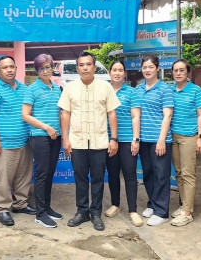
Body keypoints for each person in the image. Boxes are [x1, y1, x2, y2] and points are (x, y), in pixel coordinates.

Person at [58, 52, 120, 231]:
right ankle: (82, 211)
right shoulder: (70, 88)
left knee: (99, 179)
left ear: (94, 67)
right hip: (77, 141)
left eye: (88, 64)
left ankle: (95, 214)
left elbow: (111, 113)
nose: (85, 68)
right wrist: (65, 138)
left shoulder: (105, 87)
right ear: (77, 68)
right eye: (81, 65)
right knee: (80, 178)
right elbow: (65, 113)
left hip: (99, 142)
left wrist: (113, 138)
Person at [0, 55, 35, 227]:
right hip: (4, 144)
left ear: (16, 68)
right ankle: (3, 210)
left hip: (24, 141)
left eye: (12, 66)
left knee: (23, 176)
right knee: (3, 180)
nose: (9, 70)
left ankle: (20, 204)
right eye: (5, 67)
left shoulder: (24, 88)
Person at [22, 54, 63, 228]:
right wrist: (46, 127)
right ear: (36, 70)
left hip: (56, 136)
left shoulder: (57, 88)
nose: (45, 71)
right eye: (41, 68)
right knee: (42, 174)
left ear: (53, 67)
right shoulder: (32, 89)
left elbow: (61, 113)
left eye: (48, 67)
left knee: (50, 173)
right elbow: (25, 115)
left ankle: (46, 206)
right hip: (40, 136)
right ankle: (40, 214)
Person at [103, 61, 143, 227]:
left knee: (130, 174)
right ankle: (115, 204)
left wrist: (135, 139)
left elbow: (135, 116)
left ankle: (133, 210)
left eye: (120, 70)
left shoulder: (132, 92)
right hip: (108, 140)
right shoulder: (104, 91)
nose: (117, 73)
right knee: (112, 174)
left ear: (125, 74)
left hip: (127, 140)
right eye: (114, 70)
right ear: (110, 73)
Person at [136, 55, 174, 226]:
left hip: (160, 140)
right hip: (143, 140)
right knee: (148, 174)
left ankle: (161, 211)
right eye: (145, 67)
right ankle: (152, 203)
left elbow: (168, 115)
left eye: (151, 67)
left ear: (157, 68)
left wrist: (162, 140)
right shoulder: (138, 89)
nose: (147, 70)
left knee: (161, 175)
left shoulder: (165, 89)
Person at [169, 59, 201, 227]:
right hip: (173, 136)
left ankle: (187, 212)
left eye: (182, 70)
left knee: (188, 173)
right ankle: (184, 205)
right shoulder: (170, 90)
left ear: (187, 72)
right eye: (175, 70)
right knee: (178, 173)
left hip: (189, 137)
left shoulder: (196, 91)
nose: (178, 73)